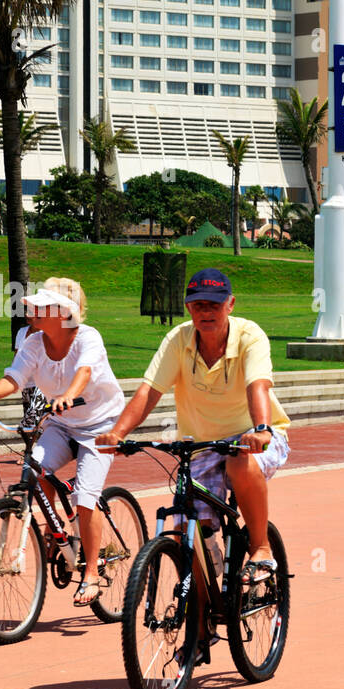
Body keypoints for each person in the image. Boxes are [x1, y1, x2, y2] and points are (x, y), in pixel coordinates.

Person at [100, 268, 291, 631]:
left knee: (239, 461)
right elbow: (149, 391)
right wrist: (118, 433)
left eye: (215, 304)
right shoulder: (179, 339)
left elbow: (258, 386)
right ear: (188, 307)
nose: (206, 312)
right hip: (202, 447)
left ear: (230, 305)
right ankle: (204, 609)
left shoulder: (250, 336)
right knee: (190, 522)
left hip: (257, 435)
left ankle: (261, 549)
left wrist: (262, 429)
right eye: (198, 304)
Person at [0, 277, 126, 607]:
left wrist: (68, 396)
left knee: (86, 494)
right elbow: (15, 376)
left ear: (63, 312)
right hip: (61, 423)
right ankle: (57, 532)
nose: (33, 310)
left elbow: (83, 372)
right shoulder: (33, 341)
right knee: (33, 470)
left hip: (101, 425)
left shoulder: (88, 338)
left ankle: (92, 572)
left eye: (42, 305)